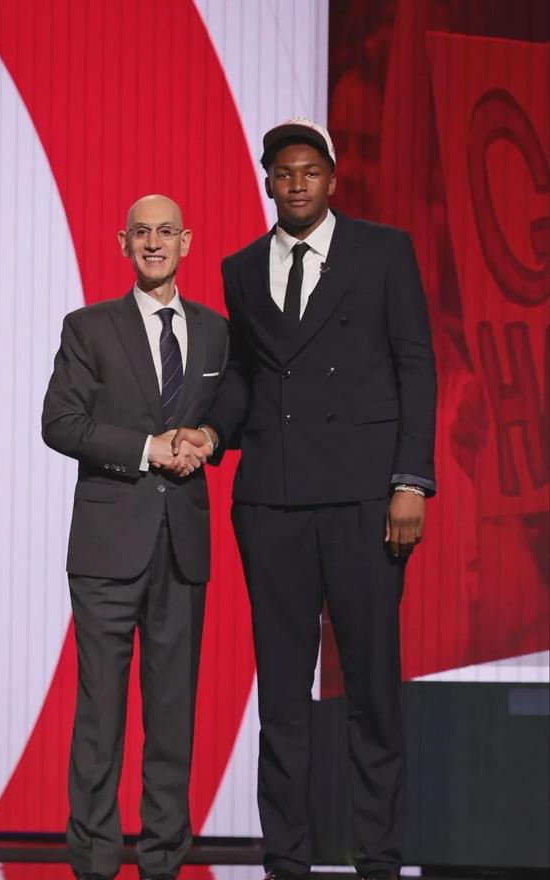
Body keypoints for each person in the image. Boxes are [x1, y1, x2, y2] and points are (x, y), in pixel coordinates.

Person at [173, 118, 437, 880]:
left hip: (364, 500)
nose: (297, 184)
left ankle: (378, 855)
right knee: (283, 694)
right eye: (284, 173)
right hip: (272, 503)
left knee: (372, 687)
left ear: (331, 178)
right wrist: (212, 434)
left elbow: (415, 366)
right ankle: (285, 856)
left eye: (309, 171)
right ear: (268, 181)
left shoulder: (382, 252)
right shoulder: (241, 268)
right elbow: (247, 379)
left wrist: (410, 481)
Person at [42, 194, 228, 880]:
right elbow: (60, 423)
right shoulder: (88, 327)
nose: (154, 243)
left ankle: (163, 863)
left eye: (165, 232)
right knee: (100, 717)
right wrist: (149, 449)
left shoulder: (215, 332)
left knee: (173, 718)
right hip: (106, 549)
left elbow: (233, 410)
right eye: (141, 233)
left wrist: (208, 438)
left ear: (187, 241)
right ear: (123, 243)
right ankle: (94, 863)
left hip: (182, 546)